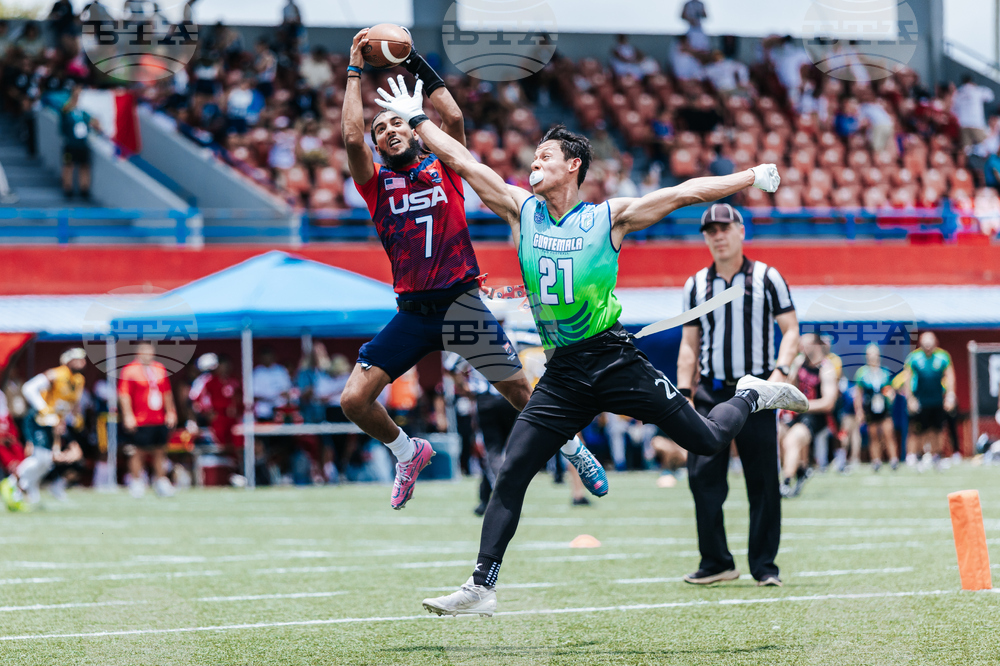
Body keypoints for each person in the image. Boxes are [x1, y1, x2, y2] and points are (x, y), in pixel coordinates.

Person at [371, 76, 809, 615]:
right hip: (563, 372)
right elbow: (463, 162)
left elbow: (684, 192)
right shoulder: (520, 209)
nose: (533, 162)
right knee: (512, 469)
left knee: (707, 442)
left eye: (545, 155)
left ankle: (751, 395)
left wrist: (752, 175)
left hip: (614, 358)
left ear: (572, 165)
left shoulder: (609, 217)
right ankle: (480, 586)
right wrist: (418, 121)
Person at [339, 31, 604, 510]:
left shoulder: (446, 168)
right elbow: (351, 136)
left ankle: (574, 449)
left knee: (521, 393)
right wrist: (356, 67)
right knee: (354, 400)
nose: (390, 130)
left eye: (399, 122)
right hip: (414, 311)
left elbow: (455, 116)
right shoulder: (374, 184)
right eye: (383, 128)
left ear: (416, 131)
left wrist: (412, 58)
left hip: (460, 303)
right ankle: (407, 452)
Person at [677, 203, 801, 588]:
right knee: (701, 476)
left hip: (756, 394)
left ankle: (764, 567)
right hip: (712, 394)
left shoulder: (767, 278)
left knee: (763, 481)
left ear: (741, 231)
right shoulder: (695, 284)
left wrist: (779, 375)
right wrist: (684, 392)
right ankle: (716, 561)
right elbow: (689, 345)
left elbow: (792, 331)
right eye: (710, 230)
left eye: (724, 228)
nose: (718, 235)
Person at [1, 348, 87, 507]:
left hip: (54, 423)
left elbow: (70, 405)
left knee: (47, 461)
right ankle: (12, 483)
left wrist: (69, 420)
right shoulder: (56, 374)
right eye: (77, 358)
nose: (82, 361)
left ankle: (28, 490)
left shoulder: (78, 380)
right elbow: (28, 388)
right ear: (67, 360)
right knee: (40, 458)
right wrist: (44, 409)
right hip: (38, 419)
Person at [778, 334, 839, 497]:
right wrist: (791, 371)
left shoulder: (826, 368)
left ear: (817, 346)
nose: (801, 347)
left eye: (806, 344)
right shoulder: (799, 363)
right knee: (776, 434)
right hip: (798, 413)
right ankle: (801, 469)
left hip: (816, 416)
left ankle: (785, 483)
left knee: (793, 440)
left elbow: (828, 402)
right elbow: (788, 388)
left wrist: (803, 406)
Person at [119, 342, 178, 498]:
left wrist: (170, 411)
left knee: (160, 450)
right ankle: (137, 481)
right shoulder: (130, 370)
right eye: (144, 351)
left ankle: (161, 480)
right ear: (138, 352)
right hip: (140, 418)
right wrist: (128, 415)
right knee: (138, 451)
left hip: (158, 418)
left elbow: (167, 392)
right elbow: (124, 394)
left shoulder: (159, 368)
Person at [897, 332, 955, 471]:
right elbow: (907, 378)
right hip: (920, 401)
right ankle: (916, 455)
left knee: (938, 429)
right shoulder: (914, 357)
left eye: (930, 343)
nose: (928, 346)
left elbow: (950, 376)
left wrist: (950, 395)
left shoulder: (943, 356)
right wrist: (910, 399)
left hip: (937, 400)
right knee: (918, 430)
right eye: (925, 343)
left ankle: (936, 456)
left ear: (935, 342)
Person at [854, 344, 898, 472]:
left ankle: (893, 459)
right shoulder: (862, 372)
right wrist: (859, 410)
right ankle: (876, 460)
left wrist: (890, 395)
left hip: (884, 408)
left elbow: (890, 389)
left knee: (888, 433)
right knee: (873, 435)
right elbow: (859, 393)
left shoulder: (885, 371)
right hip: (870, 407)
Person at [60, 83, 101, 200]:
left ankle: (84, 189)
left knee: (84, 166)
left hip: (82, 144)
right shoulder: (67, 110)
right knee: (68, 165)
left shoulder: (83, 113)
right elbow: (65, 110)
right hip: (70, 144)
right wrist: (75, 94)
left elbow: (94, 121)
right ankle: (67, 188)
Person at [951, 75, 995, 150]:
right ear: (971, 81)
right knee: (984, 147)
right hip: (976, 124)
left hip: (963, 124)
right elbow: (990, 96)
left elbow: (953, 109)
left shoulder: (958, 92)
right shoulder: (977, 90)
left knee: (966, 149)